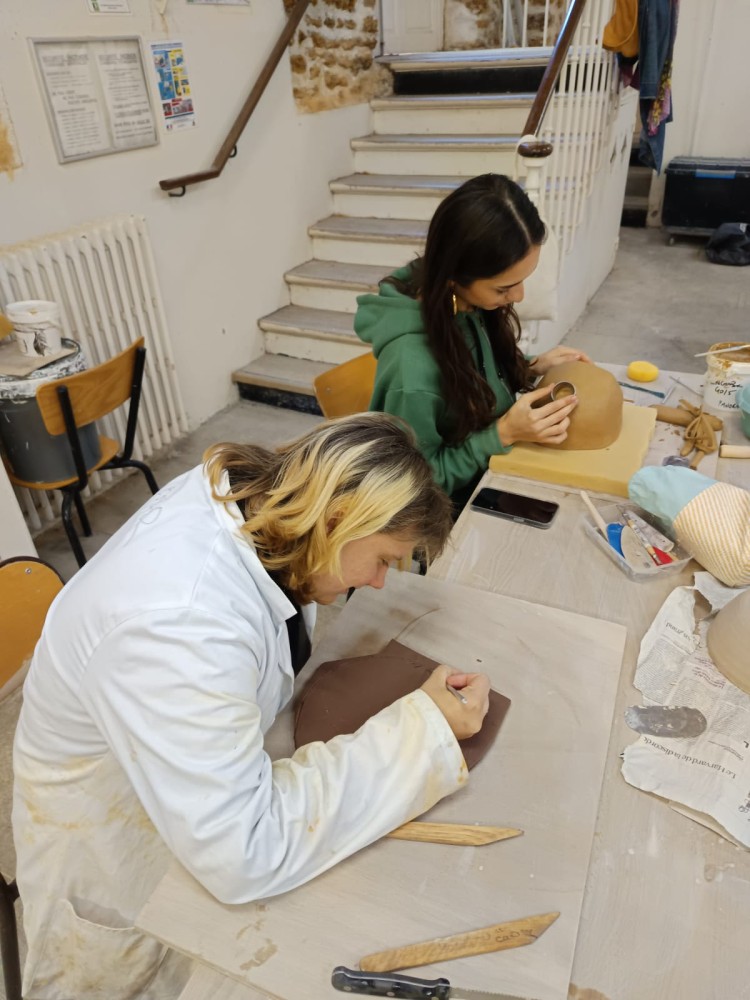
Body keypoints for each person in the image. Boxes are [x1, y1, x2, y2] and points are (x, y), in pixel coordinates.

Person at [12, 413, 490, 1000]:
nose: (379, 583)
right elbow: (243, 851)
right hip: (111, 840)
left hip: (171, 780)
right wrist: (423, 734)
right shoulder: (180, 624)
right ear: (337, 519)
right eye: (384, 560)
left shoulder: (258, 504)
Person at [354, 173, 591, 509]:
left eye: (523, 280)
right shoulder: (411, 369)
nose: (519, 296)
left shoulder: (464, 304)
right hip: (450, 511)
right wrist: (503, 434)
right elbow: (412, 486)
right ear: (455, 276)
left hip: (493, 472)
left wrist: (529, 366)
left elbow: (471, 374)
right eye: (504, 288)